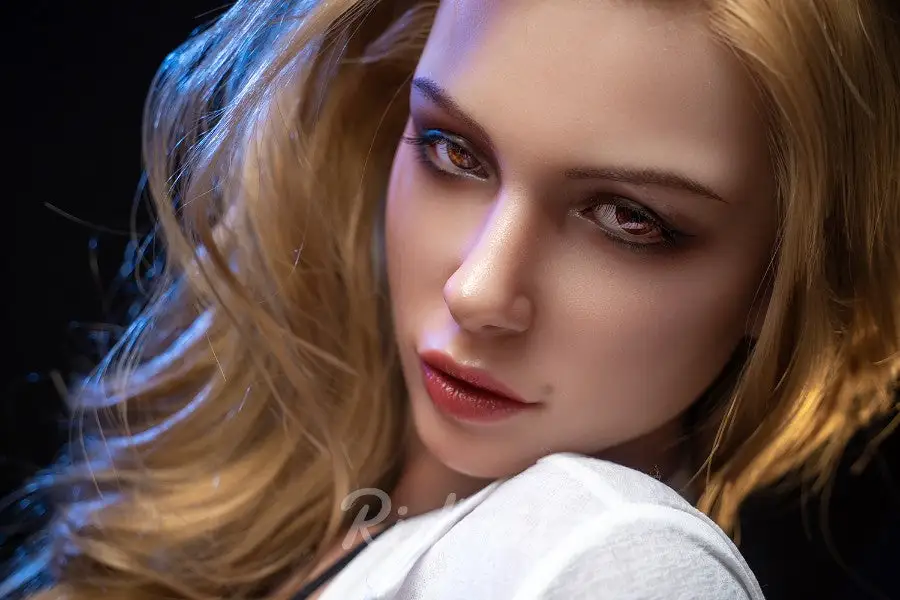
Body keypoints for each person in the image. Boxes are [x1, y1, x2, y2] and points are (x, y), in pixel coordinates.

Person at [3, 0, 899, 598]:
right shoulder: (287, 502)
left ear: (779, 275)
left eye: (628, 219)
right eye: (452, 151)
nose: (480, 291)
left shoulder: (614, 562)